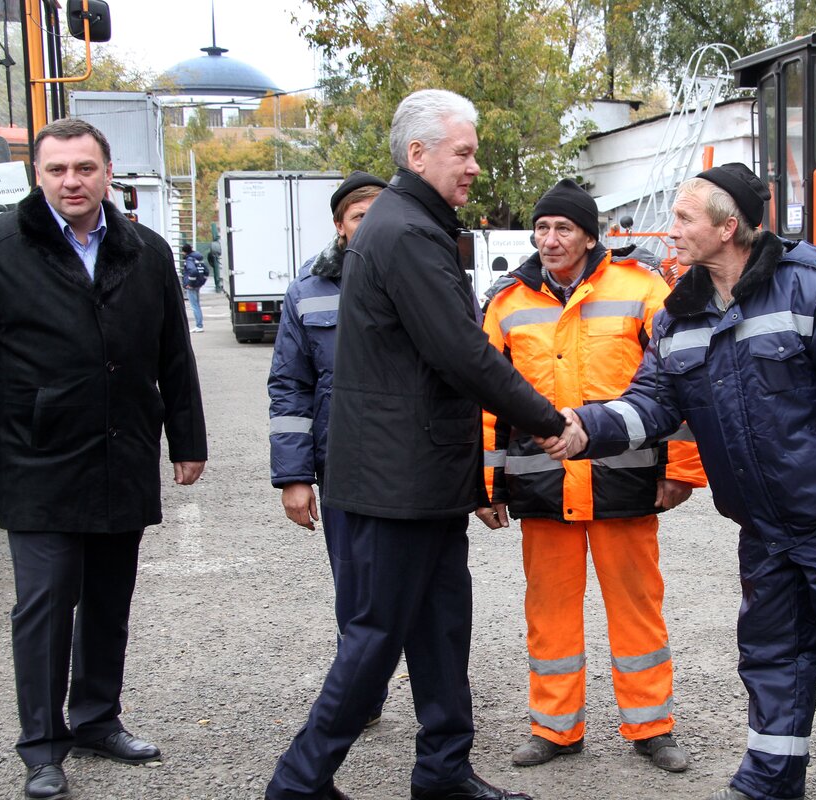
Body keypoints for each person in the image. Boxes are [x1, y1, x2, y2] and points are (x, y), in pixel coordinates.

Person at [546, 163, 816, 800]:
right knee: (772, 661)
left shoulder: (813, 290)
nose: (672, 231)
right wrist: (583, 428)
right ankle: (771, 781)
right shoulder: (678, 315)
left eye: (685, 219)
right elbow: (652, 403)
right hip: (764, 531)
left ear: (727, 228)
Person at [265, 89, 568, 800]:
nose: (474, 166)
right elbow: (461, 353)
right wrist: (552, 420)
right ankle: (298, 781)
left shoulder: (415, 224)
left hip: (422, 479)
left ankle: (443, 771)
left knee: (439, 629)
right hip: (395, 484)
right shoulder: (404, 232)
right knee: (375, 637)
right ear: (418, 153)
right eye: (463, 152)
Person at [0, 118, 207, 800]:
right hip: (36, 458)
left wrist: (188, 440)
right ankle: (41, 747)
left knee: (110, 601)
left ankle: (95, 718)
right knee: (47, 604)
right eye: (57, 170)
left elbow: (173, 351)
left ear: (107, 172)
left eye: (84, 168)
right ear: (37, 174)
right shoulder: (5, 246)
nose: (71, 182)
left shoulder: (144, 251)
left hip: (122, 450)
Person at [477, 180, 706, 774]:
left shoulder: (643, 289)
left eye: (564, 229)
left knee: (637, 607)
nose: (550, 240)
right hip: (541, 483)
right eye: (542, 228)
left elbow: (679, 383)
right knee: (548, 610)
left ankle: (651, 727)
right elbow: (484, 406)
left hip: (623, 481)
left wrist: (682, 469)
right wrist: (485, 486)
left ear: (588, 235)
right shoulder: (507, 303)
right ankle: (555, 730)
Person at [267, 170, 387, 725]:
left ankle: (438, 700)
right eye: (360, 216)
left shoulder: (418, 278)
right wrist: (294, 477)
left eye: (379, 216)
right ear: (340, 226)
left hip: (410, 464)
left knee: (424, 592)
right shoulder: (306, 293)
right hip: (340, 467)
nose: (370, 227)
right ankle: (361, 697)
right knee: (357, 591)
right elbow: (290, 387)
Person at [181, 243, 207, 332]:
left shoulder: (189, 259)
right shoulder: (198, 258)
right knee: (197, 305)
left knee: (194, 306)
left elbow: (193, 271)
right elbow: (206, 271)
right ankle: (199, 325)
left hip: (192, 286)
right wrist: (202, 281)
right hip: (198, 284)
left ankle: (199, 326)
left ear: (185, 252)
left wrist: (190, 283)